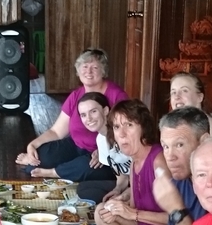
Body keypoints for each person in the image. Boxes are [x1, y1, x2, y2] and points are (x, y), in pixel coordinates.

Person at [15, 48, 128, 181]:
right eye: (85, 67)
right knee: (42, 155)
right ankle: (65, 170)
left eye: (95, 67)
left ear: (103, 72)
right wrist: (32, 145)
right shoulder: (76, 95)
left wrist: (104, 151)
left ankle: (53, 172)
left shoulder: (117, 95)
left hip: (98, 153)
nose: (89, 72)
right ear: (78, 71)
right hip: (76, 145)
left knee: (86, 166)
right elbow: (56, 132)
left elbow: (124, 132)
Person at [94, 99, 169, 225]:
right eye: (116, 127)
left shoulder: (158, 160)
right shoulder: (135, 162)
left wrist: (131, 213)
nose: (121, 134)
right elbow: (135, 220)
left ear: (143, 127)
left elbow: (178, 219)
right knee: (101, 211)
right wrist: (118, 211)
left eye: (129, 125)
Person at [168, 72, 212, 137]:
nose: (177, 96)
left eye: (184, 91)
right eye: (173, 92)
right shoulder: (170, 125)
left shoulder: (210, 125)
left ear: (200, 97)